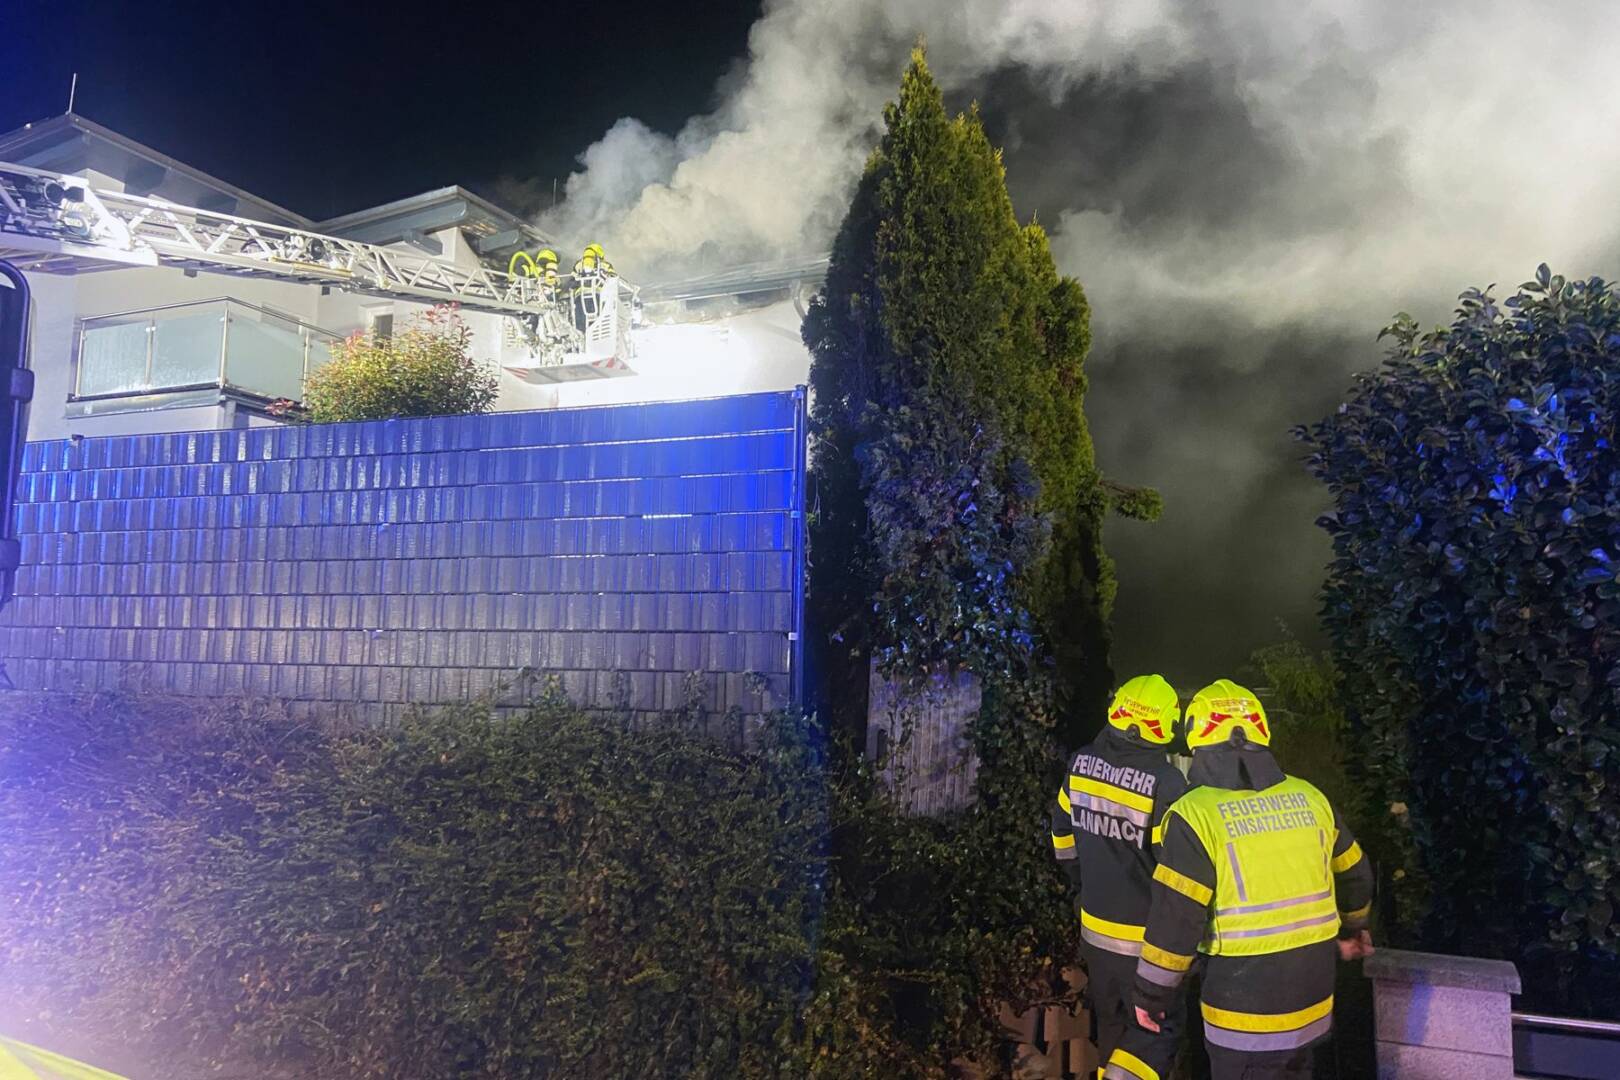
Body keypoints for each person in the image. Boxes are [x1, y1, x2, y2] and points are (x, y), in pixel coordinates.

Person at [1126, 679, 1375, 1080]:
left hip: (1243, 1018)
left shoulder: (1195, 815)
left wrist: (1151, 994)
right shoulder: (1312, 798)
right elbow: (1356, 876)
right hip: (1312, 1005)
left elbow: (1177, 919)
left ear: (1196, 739)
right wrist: (1354, 928)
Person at [1051, 674, 1189, 1079]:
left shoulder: (1080, 764)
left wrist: (1083, 884)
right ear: (1165, 724)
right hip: (1148, 947)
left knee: (1112, 1033)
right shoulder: (1167, 784)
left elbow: (1062, 840)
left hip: (1095, 935)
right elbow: (1178, 875)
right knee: (1156, 1040)